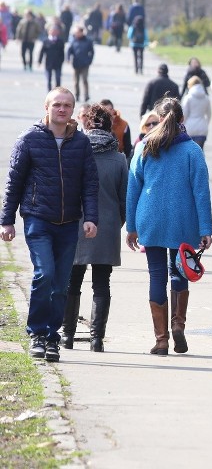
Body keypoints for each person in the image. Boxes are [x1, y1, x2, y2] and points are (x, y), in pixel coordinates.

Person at [1, 87, 99, 362]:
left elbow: (89, 184)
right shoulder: (29, 139)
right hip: (38, 219)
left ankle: (52, 337)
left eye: (67, 105)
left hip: (68, 223)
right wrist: (6, 221)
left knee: (60, 284)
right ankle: (36, 334)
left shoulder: (80, 143)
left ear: (72, 110)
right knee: (44, 274)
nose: (62, 109)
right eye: (57, 104)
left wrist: (91, 217)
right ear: (46, 107)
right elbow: (14, 183)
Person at [126, 97, 212, 355]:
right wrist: (205, 229)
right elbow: (201, 192)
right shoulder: (193, 151)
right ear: (182, 119)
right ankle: (178, 325)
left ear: (158, 117)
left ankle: (161, 339)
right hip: (183, 219)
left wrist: (131, 225)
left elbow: (133, 189)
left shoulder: (144, 147)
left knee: (156, 275)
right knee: (179, 272)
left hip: (150, 218)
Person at [63, 103, 128, 352]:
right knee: (102, 283)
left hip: (76, 224)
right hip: (107, 226)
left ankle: (67, 335)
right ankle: (96, 338)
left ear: (86, 124)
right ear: (110, 126)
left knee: (72, 281)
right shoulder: (119, 159)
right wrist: (118, 223)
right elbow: (124, 198)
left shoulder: (75, 152)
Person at [181, 75, 212, 149]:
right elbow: (209, 114)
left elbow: (184, 113)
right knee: (200, 152)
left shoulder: (188, 98)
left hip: (189, 126)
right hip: (202, 126)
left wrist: (182, 126)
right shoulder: (206, 97)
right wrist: (206, 123)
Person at [67, 26, 95, 101]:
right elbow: (70, 50)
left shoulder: (88, 41)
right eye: (76, 33)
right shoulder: (74, 41)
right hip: (76, 63)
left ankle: (86, 95)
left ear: (82, 32)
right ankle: (77, 95)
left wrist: (89, 60)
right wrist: (68, 58)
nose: (76, 34)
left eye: (78, 32)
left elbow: (92, 52)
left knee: (84, 80)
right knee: (76, 81)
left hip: (85, 64)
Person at [38, 26, 65, 92]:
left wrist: (62, 61)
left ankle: (58, 91)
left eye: (55, 31)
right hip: (48, 63)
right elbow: (42, 52)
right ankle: (49, 92)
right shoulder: (46, 41)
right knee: (49, 79)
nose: (53, 32)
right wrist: (40, 61)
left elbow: (62, 52)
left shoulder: (60, 41)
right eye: (52, 31)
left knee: (58, 78)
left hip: (57, 63)